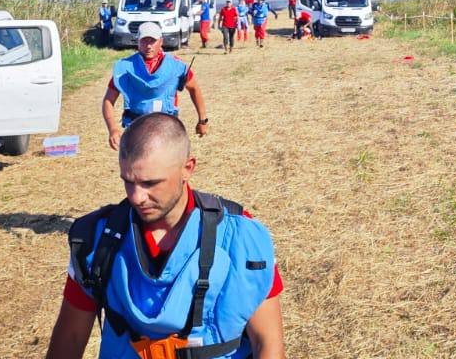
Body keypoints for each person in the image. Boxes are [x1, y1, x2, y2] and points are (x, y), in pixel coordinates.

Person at [45, 113, 286, 359]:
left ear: (187, 169)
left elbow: (267, 342)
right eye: (128, 181)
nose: (136, 197)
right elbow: (71, 338)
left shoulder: (241, 238)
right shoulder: (96, 241)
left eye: (150, 183)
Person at [101, 22, 210, 151]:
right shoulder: (126, 67)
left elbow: (194, 89)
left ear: (161, 41)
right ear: (138, 42)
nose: (148, 46)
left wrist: (202, 120)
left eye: (152, 41)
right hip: (136, 127)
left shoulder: (176, 66)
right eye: (144, 41)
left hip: (167, 128)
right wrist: (113, 129)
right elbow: (108, 100)